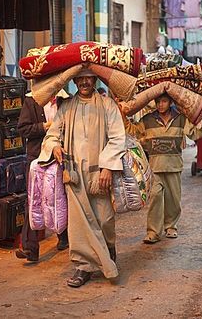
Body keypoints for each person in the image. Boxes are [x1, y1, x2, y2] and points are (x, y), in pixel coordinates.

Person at [38, 68, 126, 287]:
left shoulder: (107, 105)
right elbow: (51, 135)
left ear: (94, 79)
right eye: (81, 78)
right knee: (78, 224)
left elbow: (117, 138)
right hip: (74, 175)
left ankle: (108, 249)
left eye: (89, 77)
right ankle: (82, 266)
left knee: (104, 219)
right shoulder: (66, 107)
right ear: (75, 80)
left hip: (100, 174)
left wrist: (108, 168)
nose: (85, 81)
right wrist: (55, 145)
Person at [120, 93, 202, 244]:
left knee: (173, 199)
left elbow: (195, 133)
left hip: (174, 165)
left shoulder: (180, 118)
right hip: (155, 166)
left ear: (170, 102)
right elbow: (133, 131)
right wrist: (122, 115)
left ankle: (171, 226)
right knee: (155, 197)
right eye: (158, 102)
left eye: (164, 101)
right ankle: (153, 232)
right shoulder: (148, 119)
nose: (160, 105)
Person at [15, 89, 70, 262]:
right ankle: (30, 249)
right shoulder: (31, 101)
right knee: (33, 200)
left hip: (60, 155)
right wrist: (44, 127)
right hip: (37, 157)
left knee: (61, 197)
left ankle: (64, 237)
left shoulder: (65, 100)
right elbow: (23, 129)